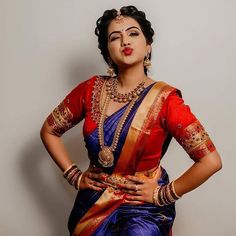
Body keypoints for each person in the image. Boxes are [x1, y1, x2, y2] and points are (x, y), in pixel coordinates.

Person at [40, 5, 222, 236]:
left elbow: (211, 161)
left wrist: (164, 193)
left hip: (143, 210)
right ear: (108, 51)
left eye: (133, 33)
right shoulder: (89, 90)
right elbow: (49, 131)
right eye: (115, 37)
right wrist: (74, 175)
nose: (125, 41)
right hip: (92, 204)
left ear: (148, 46)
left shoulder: (166, 100)